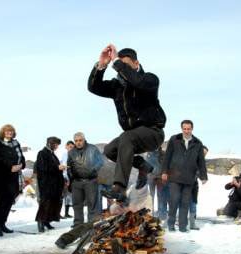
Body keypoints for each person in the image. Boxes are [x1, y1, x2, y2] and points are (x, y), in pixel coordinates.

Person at [88, 44, 166, 202]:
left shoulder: (149, 80)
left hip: (153, 132)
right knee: (110, 150)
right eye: (119, 67)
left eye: (125, 66)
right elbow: (93, 87)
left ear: (136, 64)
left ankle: (119, 188)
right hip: (132, 136)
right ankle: (143, 165)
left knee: (127, 137)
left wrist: (117, 62)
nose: (121, 72)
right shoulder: (117, 87)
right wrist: (101, 66)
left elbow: (137, 81)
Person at [161, 120, 208, 232]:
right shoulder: (174, 139)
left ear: (192, 129)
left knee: (185, 202)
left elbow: (201, 161)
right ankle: (171, 224)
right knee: (174, 200)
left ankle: (182, 226)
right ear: (182, 128)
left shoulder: (197, 143)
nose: (186, 131)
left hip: (189, 177)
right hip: (174, 176)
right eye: (184, 128)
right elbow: (167, 156)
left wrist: (203, 176)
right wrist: (164, 171)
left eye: (188, 129)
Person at [0, 124, 25, 236]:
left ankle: (3, 223)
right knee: (0, 202)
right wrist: (10, 167)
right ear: (3, 132)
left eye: (11, 131)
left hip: (14, 177)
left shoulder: (16, 143)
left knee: (9, 201)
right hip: (1, 177)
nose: (9, 133)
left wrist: (21, 165)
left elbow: (21, 157)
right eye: (7, 131)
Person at [67, 132, 104, 226]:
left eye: (80, 140)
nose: (78, 142)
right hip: (77, 182)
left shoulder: (93, 148)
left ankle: (92, 225)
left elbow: (100, 161)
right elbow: (69, 166)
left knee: (92, 205)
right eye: (76, 141)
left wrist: (93, 170)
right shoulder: (71, 152)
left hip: (91, 181)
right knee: (77, 205)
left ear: (84, 140)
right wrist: (71, 178)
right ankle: (78, 226)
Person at [35, 136, 65, 232]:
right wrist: (57, 167)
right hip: (46, 184)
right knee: (45, 203)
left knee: (52, 203)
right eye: (55, 144)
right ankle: (40, 221)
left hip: (54, 184)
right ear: (50, 143)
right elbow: (43, 168)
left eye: (57, 145)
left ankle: (47, 221)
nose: (56, 146)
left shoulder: (52, 154)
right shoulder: (42, 153)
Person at [189, 146, 209, 230]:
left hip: (194, 185)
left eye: (205, 153)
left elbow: (202, 172)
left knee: (193, 203)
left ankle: (192, 223)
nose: (204, 154)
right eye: (203, 152)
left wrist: (203, 178)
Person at [60, 140, 75, 219]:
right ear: (66, 146)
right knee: (63, 195)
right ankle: (59, 213)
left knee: (69, 196)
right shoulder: (65, 154)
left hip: (70, 177)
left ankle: (66, 213)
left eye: (73, 147)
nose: (71, 148)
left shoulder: (72, 155)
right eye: (70, 147)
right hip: (65, 177)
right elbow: (64, 166)